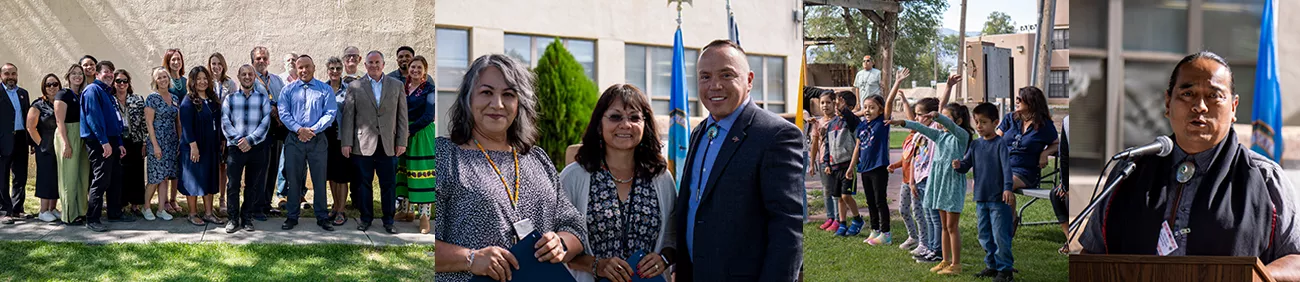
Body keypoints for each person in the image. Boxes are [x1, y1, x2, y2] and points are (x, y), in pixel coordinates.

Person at [1079, 51, 1300, 279]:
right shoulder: (1129, 170)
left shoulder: (1264, 177)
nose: (1200, 106)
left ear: (1233, 107)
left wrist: (1256, 277)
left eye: (1214, 95)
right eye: (1187, 93)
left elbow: (1296, 260)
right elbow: (1091, 253)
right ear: (1168, 102)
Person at [434, 54, 587, 282]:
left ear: (520, 103)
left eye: (508, 94)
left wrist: (561, 243)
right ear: (468, 98)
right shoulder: (445, 156)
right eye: (486, 92)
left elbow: (575, 227)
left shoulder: (537, 159)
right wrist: (471, 258)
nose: (497, 104)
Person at [672, 40, 803, 281]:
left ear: (749, 80)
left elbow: (788, 228)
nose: (715, 85)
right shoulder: (699, 132)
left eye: (726, 74)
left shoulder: (776, 135)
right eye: (705, 76)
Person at [560, 84, 676, 282]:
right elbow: (558, 246)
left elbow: (674, 235)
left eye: (634, 117)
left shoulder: (661, 178)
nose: (625, 124)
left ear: (644, 124)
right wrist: (596, 265)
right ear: (599, 124)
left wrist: (664, 258)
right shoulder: (573, 177)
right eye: (615, 117)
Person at [892, 78, 972, 275]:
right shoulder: (940, 136)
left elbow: (949, 125)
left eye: (947, 118)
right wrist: (901, 122)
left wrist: (938, 115)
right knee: (944, 226)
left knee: (952, 227)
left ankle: (956, 264)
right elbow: (920, 128)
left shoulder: (961, 136)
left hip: (952, 185)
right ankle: (945, 260)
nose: (940, 121)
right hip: (939, 184)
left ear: (958, 121)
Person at [342, 51, 409, 234]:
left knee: (388, 184)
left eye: (377, 62)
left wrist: (402, 141)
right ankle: (365, 218)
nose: (374, 65)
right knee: (364, 183)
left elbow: (402, 116)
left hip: (388, 143)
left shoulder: (396, 85)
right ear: (365, 65)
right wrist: (346, 142)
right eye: (370, 62)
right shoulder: (355, 86)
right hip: (362, 144)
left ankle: (388, 220)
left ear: (383, 64)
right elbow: (348, 117)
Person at [952, 103, 1015, 282]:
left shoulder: (1000, 144)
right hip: (981, 197)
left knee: (1000, 235)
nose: (979, 126)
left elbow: (1006, 169)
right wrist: (959, 166)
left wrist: (1008, 188)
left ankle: (1005, 270)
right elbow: (966, 165)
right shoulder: (975, 144)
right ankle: (992, 265)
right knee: (984, 234)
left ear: (995, 122)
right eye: (977, 122)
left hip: (998, 199)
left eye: (984, 122)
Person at [848, 68, 910, 245]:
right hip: (864, 168)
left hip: (878, 168)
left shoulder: (882, 123)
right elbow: (858, 147)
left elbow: (889, 101)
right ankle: (875, 230)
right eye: (865, 107)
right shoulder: (862, 126)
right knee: (869, 201)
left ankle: (886, 233)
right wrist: (852, 167)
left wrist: (897, 81)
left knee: (879, 200)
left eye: (872, 107)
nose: (867, 110)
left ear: (880, 110)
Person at [278, 54, 338, 231]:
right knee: (293, 179)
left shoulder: (324, 90)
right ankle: (292, 216)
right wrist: (299, 130)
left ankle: (322, 217)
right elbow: (283, 113)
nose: (304, 70)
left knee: (319, 180)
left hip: (317, 139)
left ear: (314, 67)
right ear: (297, 70)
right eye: (300, 67)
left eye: (307, 67)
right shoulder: (288, 90)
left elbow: (330, 112)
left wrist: (313, 130)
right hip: (294, 140)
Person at [81, 60, 133, 232]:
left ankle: (114, 212)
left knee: (115, 178)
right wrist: (104, 142)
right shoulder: (92, 91)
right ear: (97, 74)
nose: (110, 75)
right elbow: (93, 119)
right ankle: (92, 218)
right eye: (106, 72)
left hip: (112, 141)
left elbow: (115, 119)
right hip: (99, 142)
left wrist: (118, 143)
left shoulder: (108, 93)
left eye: (111, 72)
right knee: (101, 179)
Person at [221, 64, 272, 233]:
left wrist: (250, 140)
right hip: (235, 149)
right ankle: (233, 219)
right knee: (233, 185)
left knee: (252, 185)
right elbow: (225, 122)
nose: (247, 77)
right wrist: (238, 141)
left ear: (254, 77)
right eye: (244, 74)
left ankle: (247, 218)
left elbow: (266, 122)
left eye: (250, 74)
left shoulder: (262, 98)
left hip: (256, 148)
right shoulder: (230, 98)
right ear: (239, 76)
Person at [179, 66, 226, 226]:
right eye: (198, 79)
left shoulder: (212, 99)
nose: (202, 81)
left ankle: (208, 213)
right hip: (194, 148)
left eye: (205, 78)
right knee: (193, 180)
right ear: (192, 81)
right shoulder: (188, 101)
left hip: (210, 147)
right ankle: (192, 214)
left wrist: (221, 140)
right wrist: (193, 146)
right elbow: (186, 126)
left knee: (209, 179)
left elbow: (218, 122)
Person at [398, 55, 437, 233]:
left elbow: (429, 115)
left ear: (425, 70)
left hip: (420, 133)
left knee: (421, 173)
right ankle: (406, 211)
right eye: (413, 67)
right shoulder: (402, 87)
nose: (415, 70)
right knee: (403, 171)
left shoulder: (430, 89)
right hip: (403, 132)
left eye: (419, 67)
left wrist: (410, 131)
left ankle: (424, 217)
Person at [249, 46, 286, 221]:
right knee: (260, 170)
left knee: (273, 168)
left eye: (264, 58)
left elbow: (285, 100)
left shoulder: (277, 80)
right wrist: (268, 107)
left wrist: (278, 109)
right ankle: (256, 207)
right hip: (258, 131)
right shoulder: (250, 79)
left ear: (269, 60)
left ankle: (266, 204)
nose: (261, 61)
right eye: (258, 59)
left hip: (276, 130)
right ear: (252, 62)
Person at [997, 86, 1059, 190]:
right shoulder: (1010, 119)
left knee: (1003, 185)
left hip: (1024, 171)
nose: (1016, 101)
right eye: (1016, 98)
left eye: (1019, 99)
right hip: (1003, 167)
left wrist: (1045, 153)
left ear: (1031, 102)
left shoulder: (1044, 125)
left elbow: (1056, 144)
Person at [824, 90, 863, 237]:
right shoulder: (832, 123)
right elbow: (827, 144)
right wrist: (827, 162)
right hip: (835, 166)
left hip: (848, 166)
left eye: (841, 104)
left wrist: (844, 111)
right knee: (838, 197)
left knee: (846, 196)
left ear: (849, 107)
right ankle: (842, 223)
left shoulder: (852, 121)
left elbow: (852, 119)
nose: (836, 106)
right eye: (836, 103)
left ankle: (857, 219)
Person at [323, 57, 356, 226]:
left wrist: (348, 141)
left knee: (342, 176)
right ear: (327, 70)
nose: (335, 72)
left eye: (338, 68)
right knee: (332, 175)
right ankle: (335, 206)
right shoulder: (322, 88)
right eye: (332, 68)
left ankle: (341, 211)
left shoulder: (349, 89)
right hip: (325, 138)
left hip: (342, 137)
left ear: (342, 70)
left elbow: (352, 115)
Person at [55, 64, 90, 224]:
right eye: (74, 73)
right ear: (68, 76)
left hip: (82, 134)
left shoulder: (82, 94)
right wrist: (66, 144)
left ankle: (82, 210)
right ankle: (69, 215)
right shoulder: (63, 94)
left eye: (80, 73)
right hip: (68, 133)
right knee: (69, 176)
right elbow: (59, 121)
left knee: (82, 175)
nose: (78, 76)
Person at [144, 67, 179, 221]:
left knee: (164, 177)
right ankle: (146, 207)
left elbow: (177, 122)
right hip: (156, 141)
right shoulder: (152, 98)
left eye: (165, 76)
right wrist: (155, 145)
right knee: (154, 178)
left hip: (171, 142)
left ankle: (160, 209)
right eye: (159, 77)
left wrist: (179, 141)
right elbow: (149, 124)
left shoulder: (175, 98)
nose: (163, 80)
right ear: (155, 81)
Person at [112, 69, 148, 218]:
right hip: (118, 141)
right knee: (119, 174)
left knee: (136, 173)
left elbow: (145, 123)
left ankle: (135, 204)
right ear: (114, 83)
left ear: (129, 83)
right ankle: (120, 204)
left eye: (124, 81)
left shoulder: (137, 99)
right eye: (118, 81)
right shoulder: (109, 100)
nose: (121, 84)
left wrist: (145, 143)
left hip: (135, 141)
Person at [29, 74, 61, 222]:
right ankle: (43, 210)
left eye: (55, 84)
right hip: (45, 145)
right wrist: (40, 144)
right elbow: (30, 126)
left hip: (59, 145)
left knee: (56, 177)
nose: (52, 87)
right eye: (49, 85)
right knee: (46, 177)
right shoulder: (38, 105)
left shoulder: (61, 102)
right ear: (44, 87)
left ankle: (52, 208)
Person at [0, 63, 30, 221]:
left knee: (20, 175)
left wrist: (30, 142)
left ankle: (18, 209)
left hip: (20, 139)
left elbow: (28, 118)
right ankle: (5, 211)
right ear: (1, 76)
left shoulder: (23, 93)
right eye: (7, 74)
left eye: (13, 74)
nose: (10, 77)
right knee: (2, 177)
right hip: (3, 140)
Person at [209, 53, 236, 214]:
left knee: (223, 166)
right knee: (211, 165)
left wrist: (228, 134)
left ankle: (222, 198)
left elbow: (234, 108)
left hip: (225, 128)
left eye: (219, 63)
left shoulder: (230, 83)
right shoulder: (206, 82)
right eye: (213, 63)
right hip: (209, 129)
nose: (216, 66)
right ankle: (209, 199)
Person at [811, 89, 839, 232]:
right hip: (823, 161)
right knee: (826, 190)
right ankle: (830, 217)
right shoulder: (818, 123)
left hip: (837, 161)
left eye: (828, 102)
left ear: (834, 103)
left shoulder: (838, 120)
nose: (825, 105)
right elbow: (815, 143)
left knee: (836, 191)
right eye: (822, 103)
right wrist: (812, 163)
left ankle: (838, 219)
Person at [162, 48, 187, 213]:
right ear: (168, 62)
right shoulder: (164, 79)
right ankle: (163, 201)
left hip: (182, 124)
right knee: (166, 165)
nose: (176, 62)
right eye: (173, 60)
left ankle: (173, 199)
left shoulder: (185, 81)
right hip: (166, 126)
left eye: (178, 59)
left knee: (177, 165)